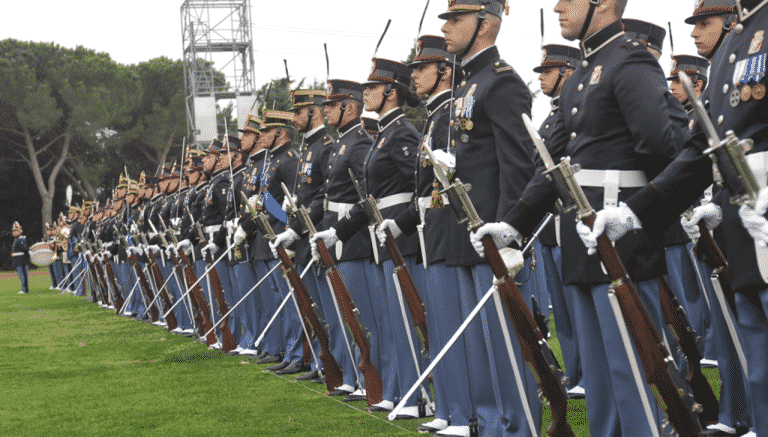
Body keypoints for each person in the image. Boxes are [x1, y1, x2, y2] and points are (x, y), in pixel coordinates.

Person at [476, 0, 691, 435]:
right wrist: (515, 222)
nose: (556, 7)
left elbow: (660, 147)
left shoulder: (630, 60)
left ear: (605, 4)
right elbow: (551, 162)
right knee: (598, 374)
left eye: (568, 0)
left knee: (631, 365)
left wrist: (637, 214)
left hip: (619, 233)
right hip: (582, 233)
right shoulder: (583, 74)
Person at [584, 1, 767, 435]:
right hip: (746, 229)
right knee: (760, 369)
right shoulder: (734, 41)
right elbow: (702, 148)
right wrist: (633, 212)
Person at [532, 43, 585, 399]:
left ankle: (588, 371)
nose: (541, 78)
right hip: (549, 227)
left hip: (570, 218)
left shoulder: (574, 115)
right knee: (562, 313)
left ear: (567, 72)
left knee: (577, 306)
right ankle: (575, 371)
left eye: (547, 72)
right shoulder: (549, 118)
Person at [12, 221, 31, 294]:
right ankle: (24, 288)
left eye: (15, 231)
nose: (13, 232)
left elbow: (25, 249)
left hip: (21, 260)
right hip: (18, 259)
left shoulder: (20, 239)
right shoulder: (17, 239)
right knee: (22, 275)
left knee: (23, 275)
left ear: (20, 231)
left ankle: (24, 289)